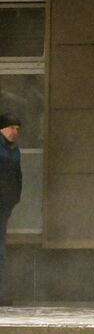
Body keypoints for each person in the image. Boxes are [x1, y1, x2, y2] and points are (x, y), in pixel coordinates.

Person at [0, 114, 21, 307]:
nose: (14, 132)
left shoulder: (14, 151)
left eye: (17, 128)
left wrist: (13, 200)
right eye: (10, 127)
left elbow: (16, 180)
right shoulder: (10, 151)